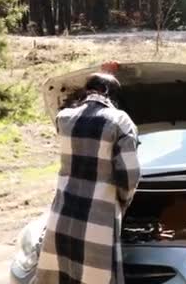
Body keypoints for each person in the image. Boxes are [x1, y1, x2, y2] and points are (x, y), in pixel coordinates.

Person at [36, 62, 141, 284]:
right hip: (98, 216)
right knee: (96, 276)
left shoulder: (64, 118)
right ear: (108, 94)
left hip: (63, 212)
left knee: (62, 271)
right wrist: (123, 201)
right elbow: (130, 174)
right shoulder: (120, 121)